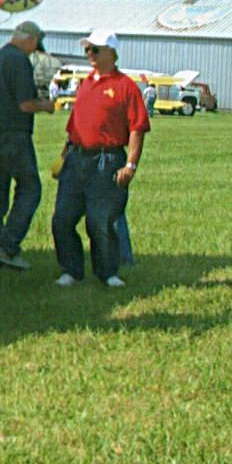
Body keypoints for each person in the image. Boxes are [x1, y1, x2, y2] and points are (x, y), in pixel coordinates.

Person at [52, 28, 150, 288]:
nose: (89, 54)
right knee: (62, 218)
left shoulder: (125, 86)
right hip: (76, 158)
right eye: (87, 50)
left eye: (94, 50)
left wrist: (130, 165)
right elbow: (74, 125)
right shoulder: (85, 84)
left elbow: (137, 127)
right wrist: (63, 158)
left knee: (100, 221)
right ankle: (71, 270)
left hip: (107, 160)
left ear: (111, 53)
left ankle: (108, 273)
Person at [0, 20, 54, 269]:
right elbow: (25, 104)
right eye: (34, 45)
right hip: (12, 135)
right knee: (30, 188)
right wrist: (45, 105)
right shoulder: (19, 61)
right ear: (29, 39)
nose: (33, 50)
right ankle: (7, 246)